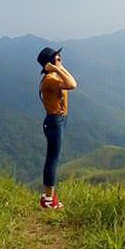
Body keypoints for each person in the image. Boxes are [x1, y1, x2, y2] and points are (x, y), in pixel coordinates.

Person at [36, 46, 78, 210]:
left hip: (59, 120)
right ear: (50, 63)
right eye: (57, 58)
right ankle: (48, 199)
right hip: (54, 121)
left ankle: (49, 197)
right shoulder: (50, 80)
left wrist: (58, 67)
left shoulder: (54, 76)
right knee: (52, 159)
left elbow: (70, 81)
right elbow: (73, 84)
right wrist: (57, 68)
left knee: (54, 157)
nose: (60, 59)